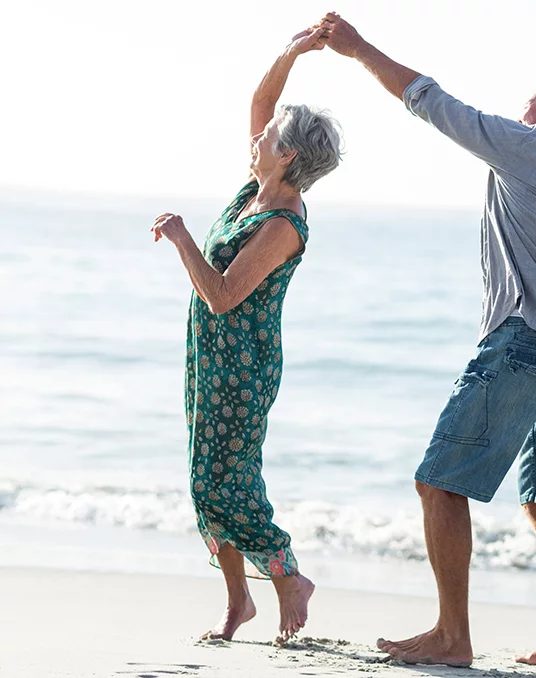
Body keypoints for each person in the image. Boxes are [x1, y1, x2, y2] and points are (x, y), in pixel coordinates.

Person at [315, 12, 536, 670]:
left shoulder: (533, 147)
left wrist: (356, 48)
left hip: (526, 341)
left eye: (529, 102)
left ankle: (452, 635)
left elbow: (432, 102)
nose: (520, 111)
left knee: (439, 484)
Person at [150, 26, 342, 644]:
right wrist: (291, 52)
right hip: (208, 355)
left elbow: (225, 295)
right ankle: (239, 603)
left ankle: (287, 575)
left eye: (268, 137)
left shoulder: (284, 220)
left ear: (287, 155)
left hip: (243, 363)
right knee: (204, 476)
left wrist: (182, 238)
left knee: (222, 480)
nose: (256, 137)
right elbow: (262, 107)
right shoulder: (253, 191)